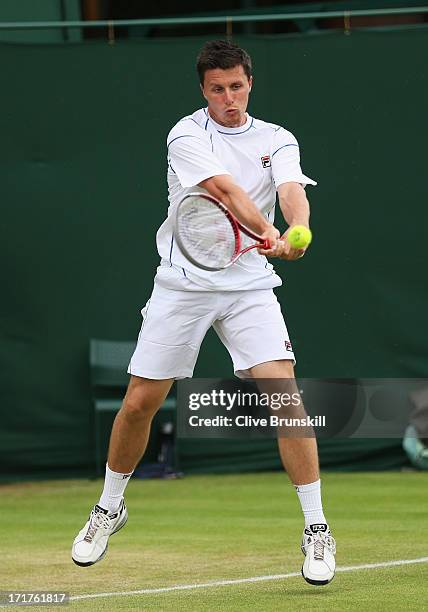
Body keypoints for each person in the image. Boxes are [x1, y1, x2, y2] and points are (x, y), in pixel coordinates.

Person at [72, 39, 336, 585]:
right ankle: (109, 507)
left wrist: (297, 233)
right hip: (183, 282)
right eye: (218, 89)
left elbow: (290, 190)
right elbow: (224, 189)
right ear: (204, 91)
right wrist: (267, 233)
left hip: (249, 287)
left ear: (250, 83)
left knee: (286, 400)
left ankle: (316, 528)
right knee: (141, 402)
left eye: (236, 86)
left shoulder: (277, 138)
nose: (229, 98)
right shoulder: (186, 134)